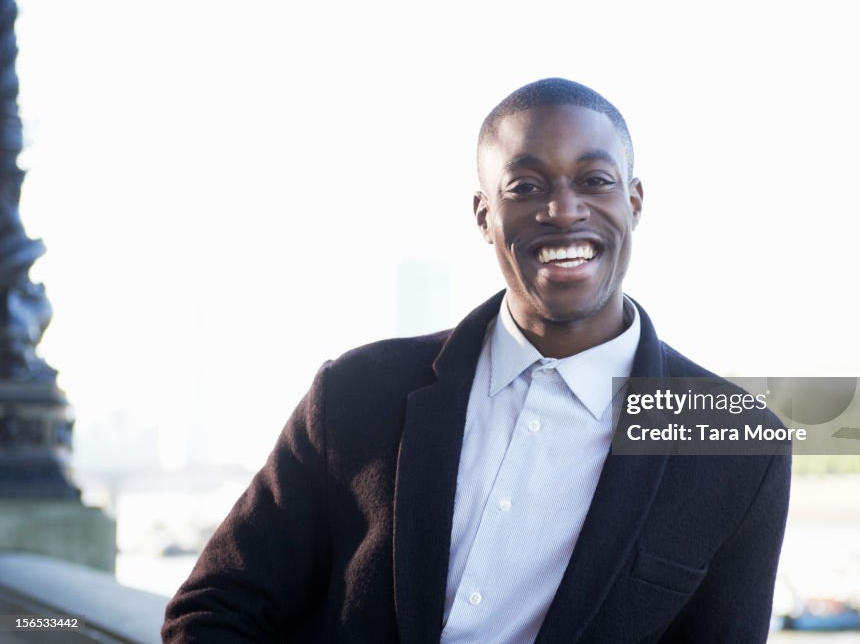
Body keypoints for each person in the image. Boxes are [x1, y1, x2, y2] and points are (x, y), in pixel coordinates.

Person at [162, 78, 791, 643]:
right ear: (485, 215)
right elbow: (216, 607)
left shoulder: (738, 445)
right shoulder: (355, 393)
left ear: (635, 201)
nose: (564, 209)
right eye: (526, 186)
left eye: (595, 181)